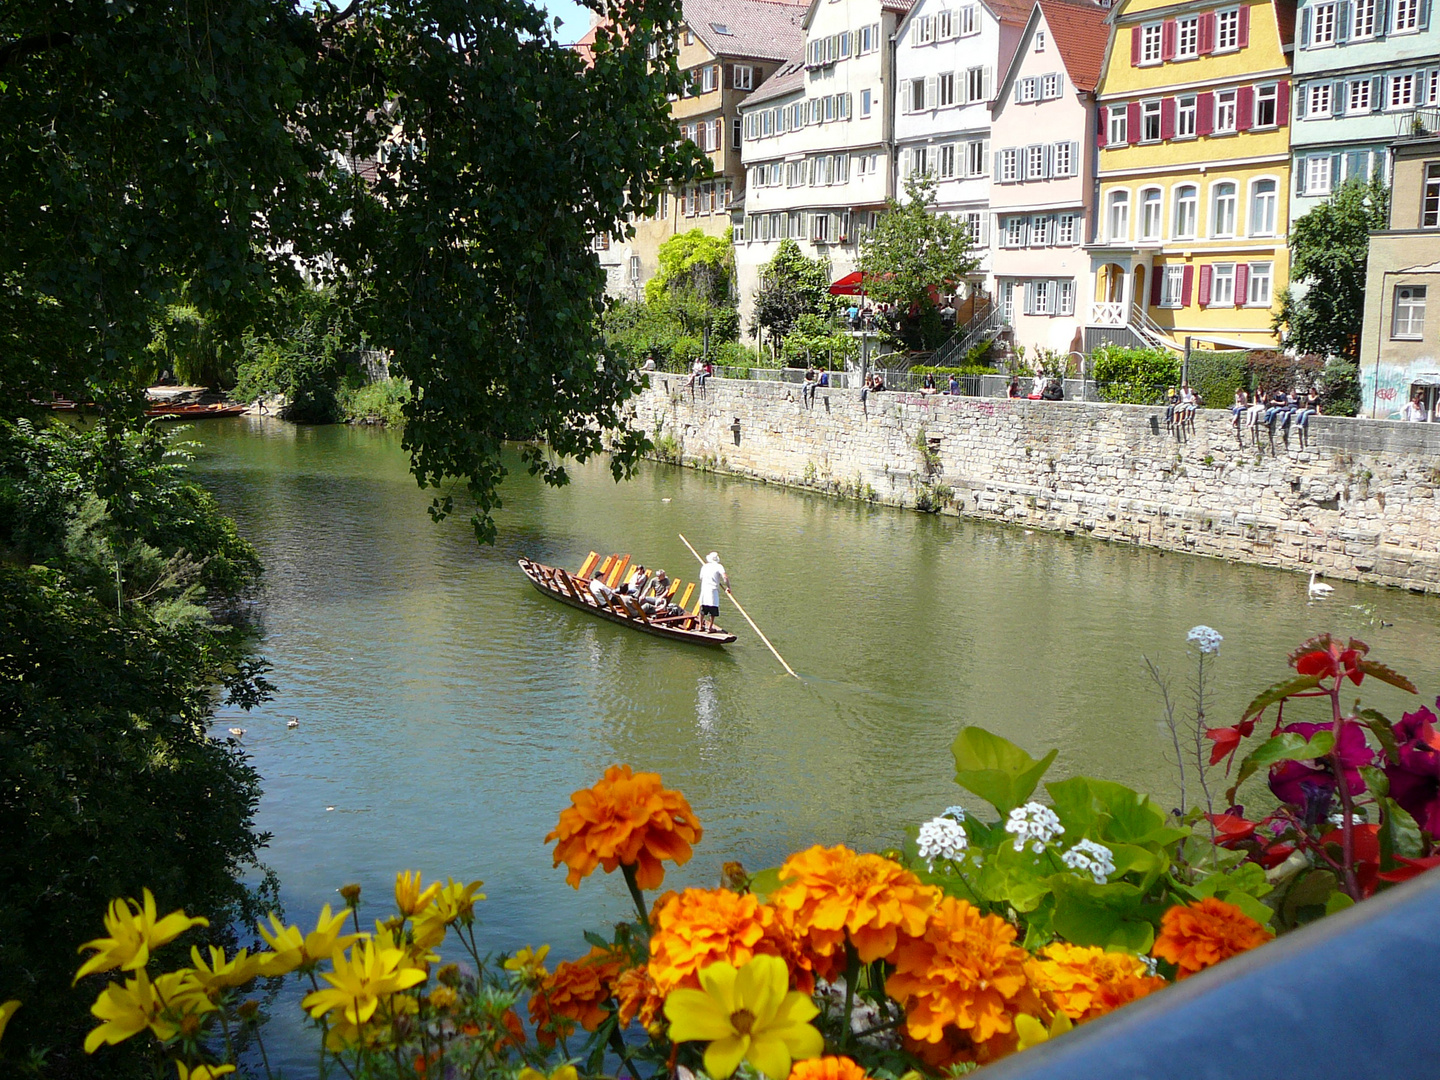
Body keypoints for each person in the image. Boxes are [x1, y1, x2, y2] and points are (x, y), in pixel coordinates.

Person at [698, 552, 729, 633]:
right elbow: (725, 577)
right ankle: (710, 628)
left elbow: (701, 578)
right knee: (713, 609)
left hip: (704, 589)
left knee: (703, 608)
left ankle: (700, 626)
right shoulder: (719, 566)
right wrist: (728, 587)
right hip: (713, 590)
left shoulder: (705, 566)